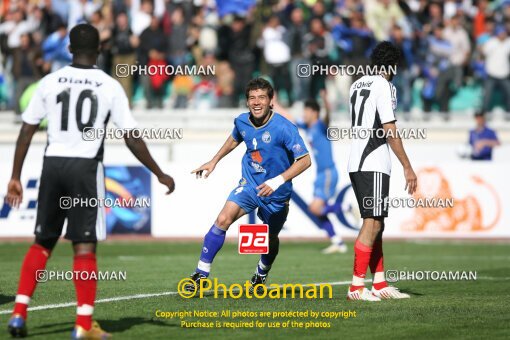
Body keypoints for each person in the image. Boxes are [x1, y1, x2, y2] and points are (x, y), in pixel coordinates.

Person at [6, 24, 175, 338]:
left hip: (53, 165)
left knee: (43, 241)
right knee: (84, 247)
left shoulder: (49, 81)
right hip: (85, 169)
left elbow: (27, 130)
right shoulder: (109, 86)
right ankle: (83, 325)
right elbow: (132, 137)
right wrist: (158, 171)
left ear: (69, 49)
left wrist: (15, 176)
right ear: (99, 50)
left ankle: (18, 314)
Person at [186, 78, 311, 292]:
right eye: (252, 98)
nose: (256, 102)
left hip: (277, 193)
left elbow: (305, 160)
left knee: (271, 238)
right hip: (250, 184)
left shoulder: (284, 127)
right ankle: (201, 274)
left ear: (271, 101)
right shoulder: (242, 121)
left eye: (262, 97)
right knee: (223, 219)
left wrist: (277, 181)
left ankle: (261, 274)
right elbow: (235, 138)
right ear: (246, 102)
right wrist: (214, 160)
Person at [347, 41, 417, 301]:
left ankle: (379, 283)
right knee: (372, 222)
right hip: (373, 161)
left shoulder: (357, 84)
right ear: (392, 65)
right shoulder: (385, 85)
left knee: (377, 222)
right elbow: (389, 129)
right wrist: (407, 166)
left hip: (356, 161)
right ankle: (356, 287)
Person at [274, 91, 347, 254]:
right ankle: (338, 242)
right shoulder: (308, 126)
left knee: (314, 209)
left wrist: (326, 100)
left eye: (306, 111)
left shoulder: (321, 126)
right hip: (320, 174)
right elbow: (289, 118)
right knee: (318, 211)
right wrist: (275, 104)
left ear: (314, 112)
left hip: (328, 172)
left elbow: (328, 116)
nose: (303, 114)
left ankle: (345, 208)